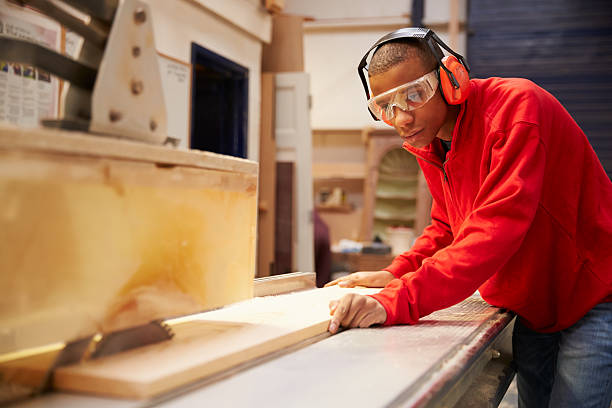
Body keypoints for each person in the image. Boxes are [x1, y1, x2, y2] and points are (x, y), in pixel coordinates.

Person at [325, 27, 612, 407]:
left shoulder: (516, 110)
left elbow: (496, 228)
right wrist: (398, 271)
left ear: (451, 79)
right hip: (534, 307)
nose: (402, 119)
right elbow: (448, 225)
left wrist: (397, 300)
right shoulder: (432, 142)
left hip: (591, 294)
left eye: (415, 95)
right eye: (386, 106)